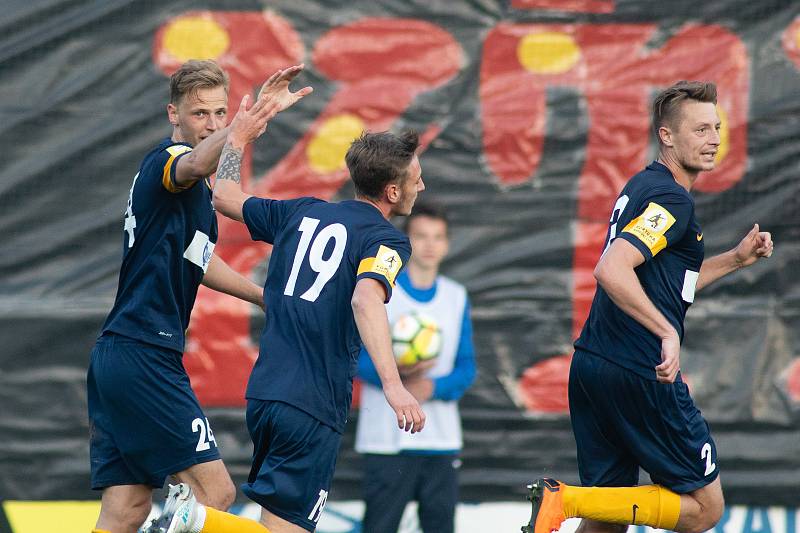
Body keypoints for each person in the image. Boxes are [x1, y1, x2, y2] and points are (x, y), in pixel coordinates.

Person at [144, 93, 428, 532]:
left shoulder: (303, 212)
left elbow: (224, 196)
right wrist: (395, 386)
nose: (421, 186)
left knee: (278, 523)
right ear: (392, 191)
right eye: (416, 179)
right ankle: (196, 518)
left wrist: (236, 141)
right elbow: (364, 299)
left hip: (266, 394)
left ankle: (198, 518)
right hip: (313, 402)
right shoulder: (387, 240)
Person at [523, 80, 774, 533]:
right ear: (667, 135)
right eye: (699, 129)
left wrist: (736, 260)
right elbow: (611, 269)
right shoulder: (671, 198)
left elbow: (666, 284)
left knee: (608, 520)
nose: (713, 138)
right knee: (704, 508)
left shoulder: (645, 184)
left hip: (593, 365)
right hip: (639, 370)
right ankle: (567, 500)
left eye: (716, 127)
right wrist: (666, 331)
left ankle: (570, 505)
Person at [87, 60, 310, 533]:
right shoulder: (165, 162)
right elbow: (192, 162)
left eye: (219, 112)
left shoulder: (194, 189)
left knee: (125, 510)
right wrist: (237, 130)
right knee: (215, 495)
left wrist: (264, 297)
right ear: (174, 114)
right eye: (199, 114)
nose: (210, 123)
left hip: (122, 354)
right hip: (143, 354)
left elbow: (201, 261)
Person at [354, 201, 477, 533]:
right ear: (407, 241)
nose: (429, 245)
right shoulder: (377, 290)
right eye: (421, 236)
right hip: (386, 439)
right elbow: (356, 359)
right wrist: (397, 377)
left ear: (447, 244)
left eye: (437, 237)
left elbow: (467, 369)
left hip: (440, 441)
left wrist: (430, 388)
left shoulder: (456, 296)